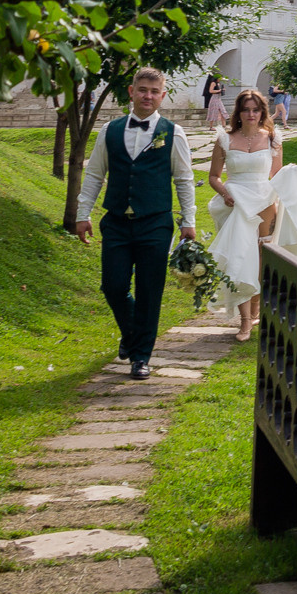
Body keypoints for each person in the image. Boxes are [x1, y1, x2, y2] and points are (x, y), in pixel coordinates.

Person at [74, 67, 198, 379]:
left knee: (149, 290)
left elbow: (184, 179)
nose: (148, 96)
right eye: (143, 89)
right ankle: (132, 335)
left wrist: (188, 221)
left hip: (155, 223)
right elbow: (94, 174)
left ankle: (141, 356)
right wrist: (82, 213)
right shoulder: (110, 131)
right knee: (113, 285)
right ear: (131, 92)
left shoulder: (174, 133)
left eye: (154, 91)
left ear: (163, 96)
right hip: (115, 221)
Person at [207, 88, 297, 342]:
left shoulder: (272, 139)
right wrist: (225, 193)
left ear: (262, 112)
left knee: (262, 259)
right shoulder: (224, 139)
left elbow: (276, 177)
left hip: (265, 203)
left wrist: (290, 187)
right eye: (246, 109)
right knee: (240, 258)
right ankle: (245, 321)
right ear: (238, 112)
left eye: (255, 109)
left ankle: (256, 308)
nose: (251, 114)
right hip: (235, 203)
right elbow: (213, 177)